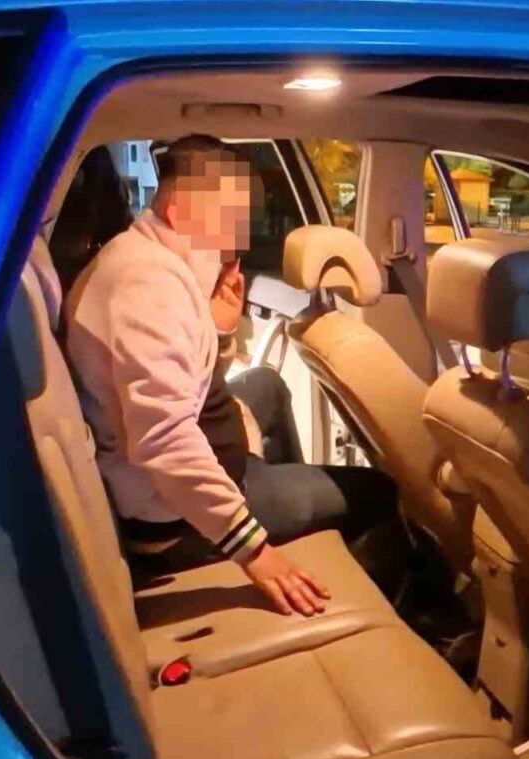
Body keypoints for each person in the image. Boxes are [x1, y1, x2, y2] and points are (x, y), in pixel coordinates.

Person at [64, 135, 398, 616]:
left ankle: (283, 496)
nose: (238, 238)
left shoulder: (145, 259)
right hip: (175, 519)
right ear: (179, 211)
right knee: (378, 492)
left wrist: (219, 331)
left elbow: (184, 381)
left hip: (189, 472)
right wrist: (256, 551)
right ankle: (387, 606)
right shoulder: (148, 286)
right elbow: (162, 439)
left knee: (267, 384)